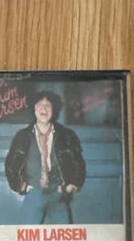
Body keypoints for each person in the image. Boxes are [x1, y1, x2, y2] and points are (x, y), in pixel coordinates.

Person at [5, 91, 86, 224]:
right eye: (40, 105)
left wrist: (72, 185)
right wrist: (22, 186)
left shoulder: (67, 135)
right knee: (28, 234)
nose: (44, 109)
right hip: (33, 195)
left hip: (59, 195)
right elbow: (11, 165)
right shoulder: (22, 136)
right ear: (34, 108)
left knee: (63, 235)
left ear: (54, 110)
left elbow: (79, 162)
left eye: (48, 105)